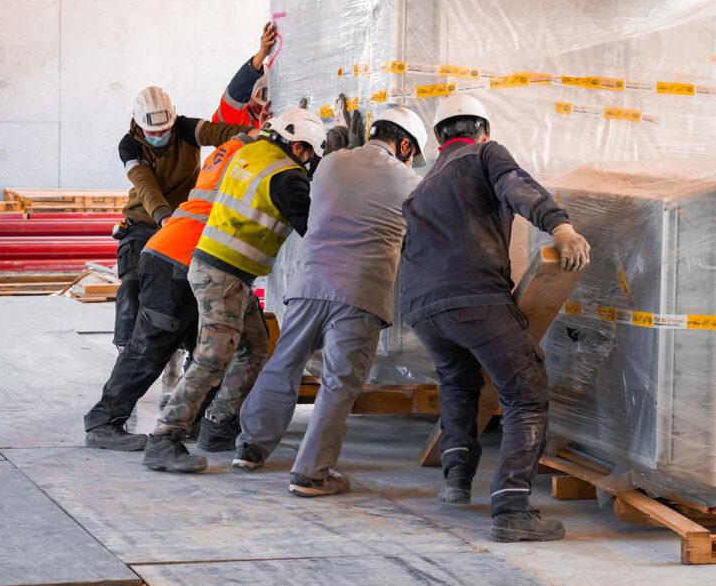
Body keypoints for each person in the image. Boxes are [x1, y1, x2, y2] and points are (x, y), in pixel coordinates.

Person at [399, 93, 590, 543]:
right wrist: (560, 226)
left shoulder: (421, 184)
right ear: (482, 130)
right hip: (474, 297)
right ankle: (511, 507)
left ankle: (456, 481)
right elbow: (515, 185)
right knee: (525, 394)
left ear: (439, 137)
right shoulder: (486, 153)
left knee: (458, 383)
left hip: (422, 309)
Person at [231, 106, 426, 497]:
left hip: (309, 282)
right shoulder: (410, 181)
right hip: (360, 291)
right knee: (338, 383)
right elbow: (421, 238)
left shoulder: (331, 163)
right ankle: (312, 473)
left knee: (285, 361)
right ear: (404, 144)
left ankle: (251, 447)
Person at [141, 108, 326, 473]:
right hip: (223, 276)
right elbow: (315, 232)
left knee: (253, 348)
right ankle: (164, 437)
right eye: (312, 156)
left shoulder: (248, 153)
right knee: (212, 357)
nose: (310, 164)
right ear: (302, 148)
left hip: (219, 268)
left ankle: (217, 425)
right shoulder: (287, 177)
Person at [83, 124, 263, 450]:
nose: (160, 132)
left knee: (209, 349)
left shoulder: (233, 153)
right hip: (178, 259)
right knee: (151, 348)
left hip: (191, 257)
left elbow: (225, 129)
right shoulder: (264, 165)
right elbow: (145, 184)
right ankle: (102, 422)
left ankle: (195, 423)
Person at [112, 22, 276, 353]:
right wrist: (162, 218)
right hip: (146, 222)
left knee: (195, 286)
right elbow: (146, 186)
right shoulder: (130, 146)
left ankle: (194, 351)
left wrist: (261, 135)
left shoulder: (185, 129)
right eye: (153, 132)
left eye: (166, 129)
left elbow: (219, 132)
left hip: (184, 222)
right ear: (140, 126)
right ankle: (127, 350)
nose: (161, 135)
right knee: (131, 285)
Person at [212, 22, 275, 129]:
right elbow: (237, 90)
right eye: (260, 99)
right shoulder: (233, 117)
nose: (263, 106)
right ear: (248, 96)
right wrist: (262, 53)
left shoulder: (274, 121)